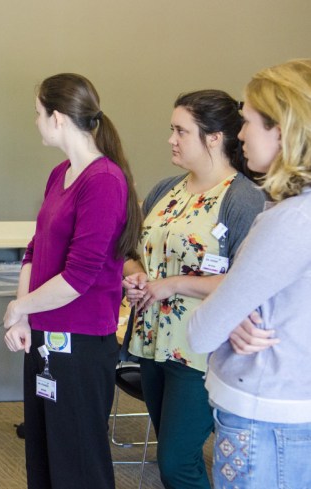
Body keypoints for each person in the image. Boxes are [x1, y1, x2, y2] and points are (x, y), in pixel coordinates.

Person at [3, 73, 142, 489]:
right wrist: (24, 317)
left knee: (78, 461)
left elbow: (79, 277)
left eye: (38, 113)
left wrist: (19, 308)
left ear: (58, 117)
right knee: (43, 454)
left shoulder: (104, 181)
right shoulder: (60, 174)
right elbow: (34, 250)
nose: (36, 121)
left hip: (81, 344)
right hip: (44, 336)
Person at [121, 90, 266, 489]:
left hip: (200, 350)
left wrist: (174, 284)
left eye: (181, 131)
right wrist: (135, 276)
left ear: (215, 137)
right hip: (152, 342)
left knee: (176, 462)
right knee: (176, 457)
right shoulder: (167, 189)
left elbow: (248, 281)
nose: (171, 139)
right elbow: (130, 250)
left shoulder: (242, 199)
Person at [188, 59, 311, 489]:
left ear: (283, 129)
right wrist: (237, 310)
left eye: (249, 122)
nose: (240, 134)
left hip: (265, 417)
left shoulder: (290, 220)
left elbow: (202, 332)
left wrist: (224, 313)